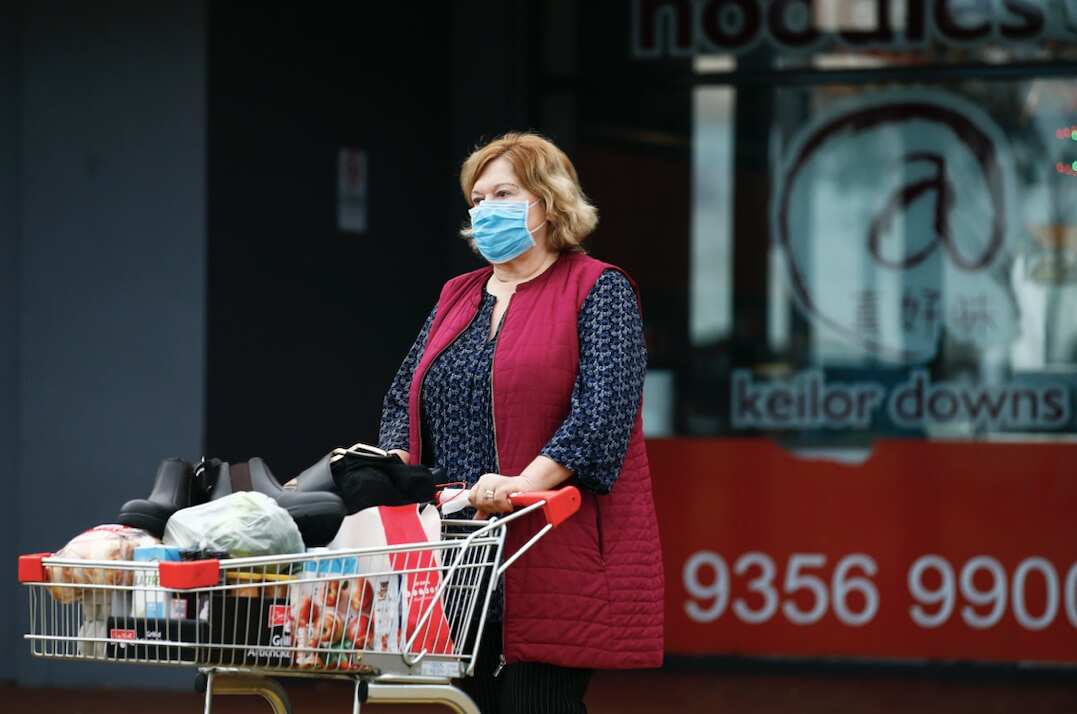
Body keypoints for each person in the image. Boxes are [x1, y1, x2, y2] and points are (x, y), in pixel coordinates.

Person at [377, 132, 663, 714]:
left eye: (502, 193)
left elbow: (602, 414)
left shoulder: (599, 289)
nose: (485, 210)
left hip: (549, 541)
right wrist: (396, 481)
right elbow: (401, 402)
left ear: (548, 201)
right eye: (476, 201)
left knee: (536, 704)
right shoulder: (458, 295)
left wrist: (521, 485)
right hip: (456, 548)